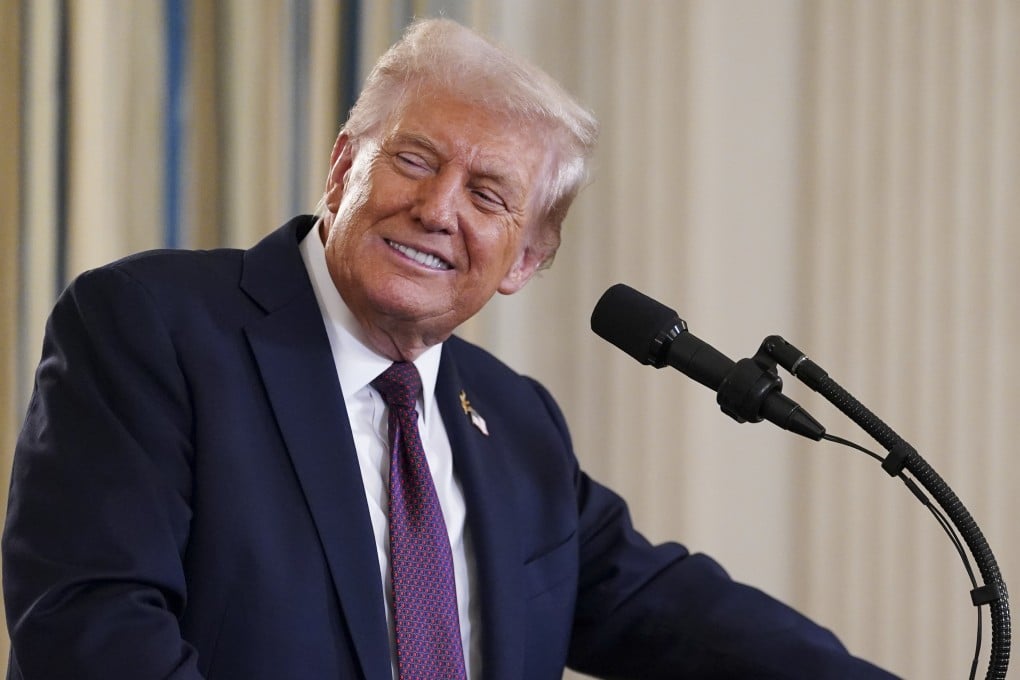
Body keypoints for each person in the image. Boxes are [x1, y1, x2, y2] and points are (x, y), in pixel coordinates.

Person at [3, 17, 898, 680]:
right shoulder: (154, 327)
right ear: (343, 167)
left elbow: (657, 603)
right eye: (416, 159)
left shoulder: (513, 421)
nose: (439, 210)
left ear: (527, 259)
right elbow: (90, 633)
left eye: (490, 196)